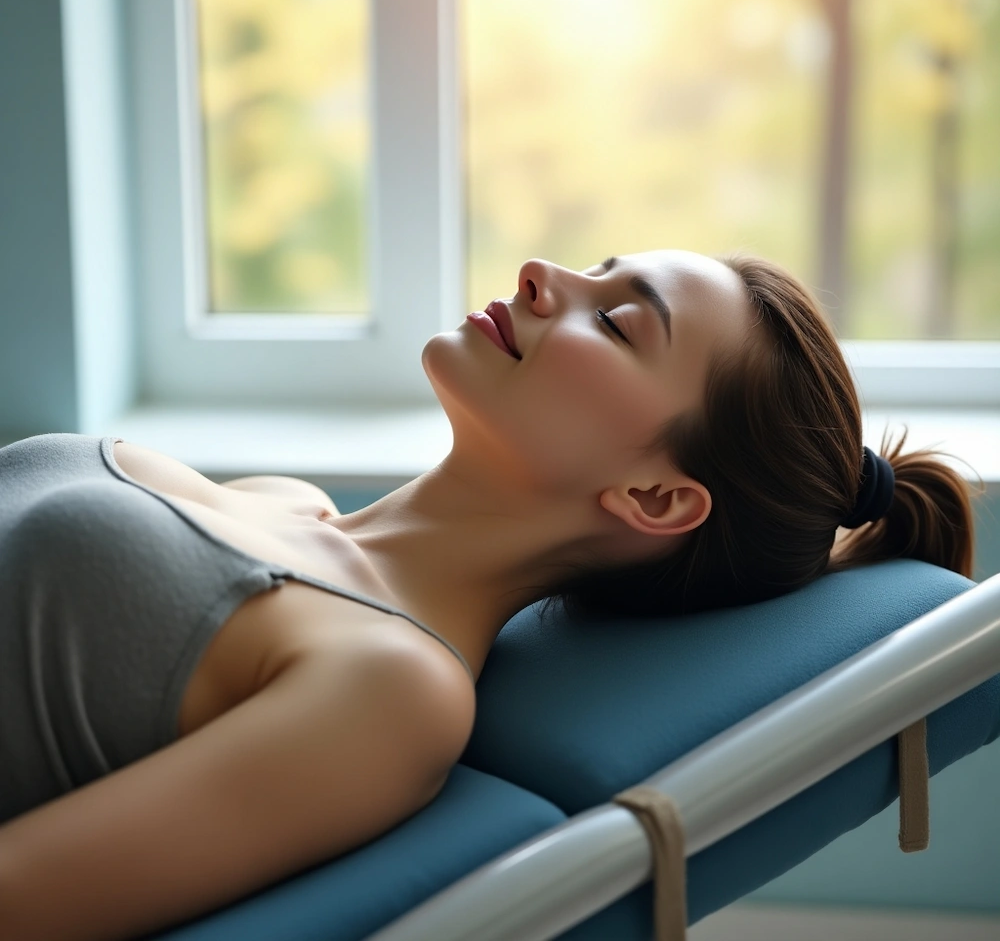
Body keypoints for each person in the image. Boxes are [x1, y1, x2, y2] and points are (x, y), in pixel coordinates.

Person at [0, 250, 976, 940]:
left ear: (654, 496)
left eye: (618, 320)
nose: (541, 275)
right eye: (596, 269)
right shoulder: (279, 502)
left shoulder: (391, 691)